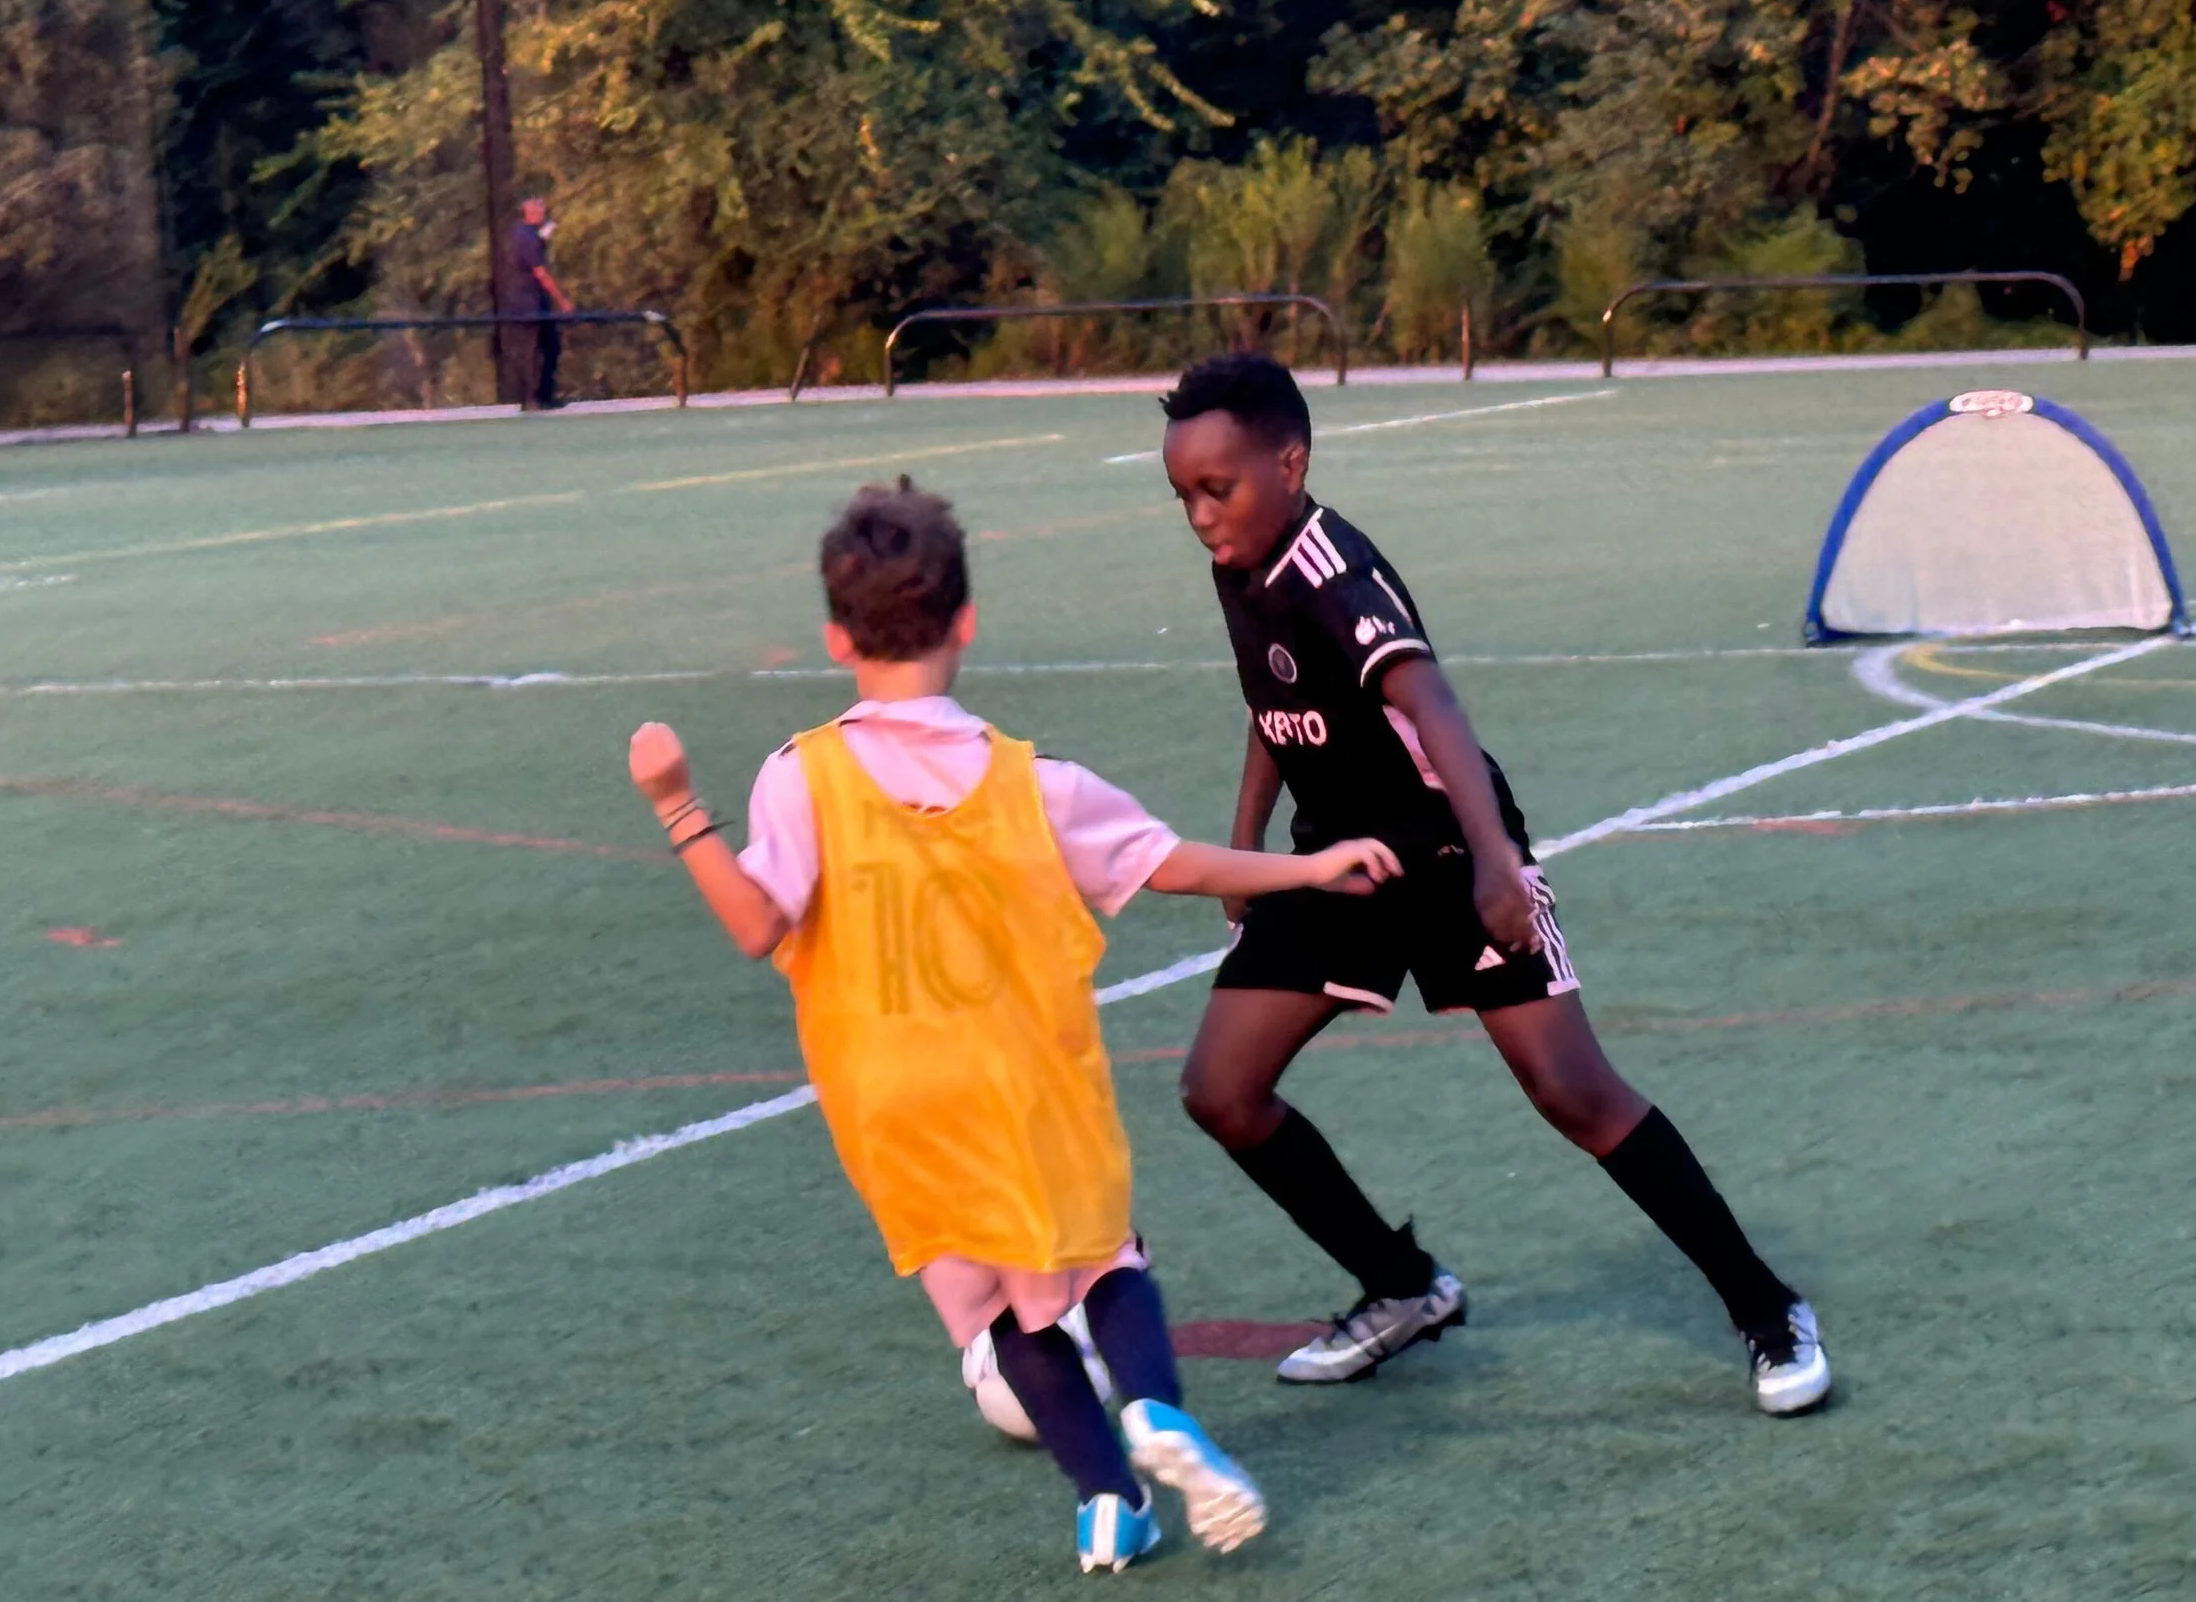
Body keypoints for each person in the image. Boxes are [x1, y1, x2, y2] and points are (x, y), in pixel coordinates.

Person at [625, 478, 1404, 1571]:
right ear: (968, 622)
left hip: (888, 1100)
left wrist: (674, 801)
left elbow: (757, 922)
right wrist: (1310, 863)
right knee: (1099, 1264)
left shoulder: (795, 776)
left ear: (837, 638)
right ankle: (1156, 1409)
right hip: (1027, 1078)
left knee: (1001, 1310)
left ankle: (1105, 1502)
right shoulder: (1031, 781)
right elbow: (1170, 862)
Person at [1153, 353, 1832, 1414]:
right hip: (1337, 859)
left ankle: (1766, 1302)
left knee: (1573, 1089)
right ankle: (1404, 1286)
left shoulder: (1339, 572)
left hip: (1444, 853)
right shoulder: (1241, 560)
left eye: (1216, 488)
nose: (1197, 513)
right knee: (1220, 1091)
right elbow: (1272, 705)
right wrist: (1246, 850)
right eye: (1182, 493)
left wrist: (1497, 863)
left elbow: (1437, 712)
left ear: (1290, 462)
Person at [510, 196, 572, 409]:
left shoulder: (530, 235)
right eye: (539, 207)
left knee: (551, 346)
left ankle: (546, 395)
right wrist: (562, 300)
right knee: (532, 349)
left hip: (538, 300)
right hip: (528, 301)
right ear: (529, 210)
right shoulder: (525, 237)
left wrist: (544, 239)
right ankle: (531, 398)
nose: (543, 211)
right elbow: (540, 272)